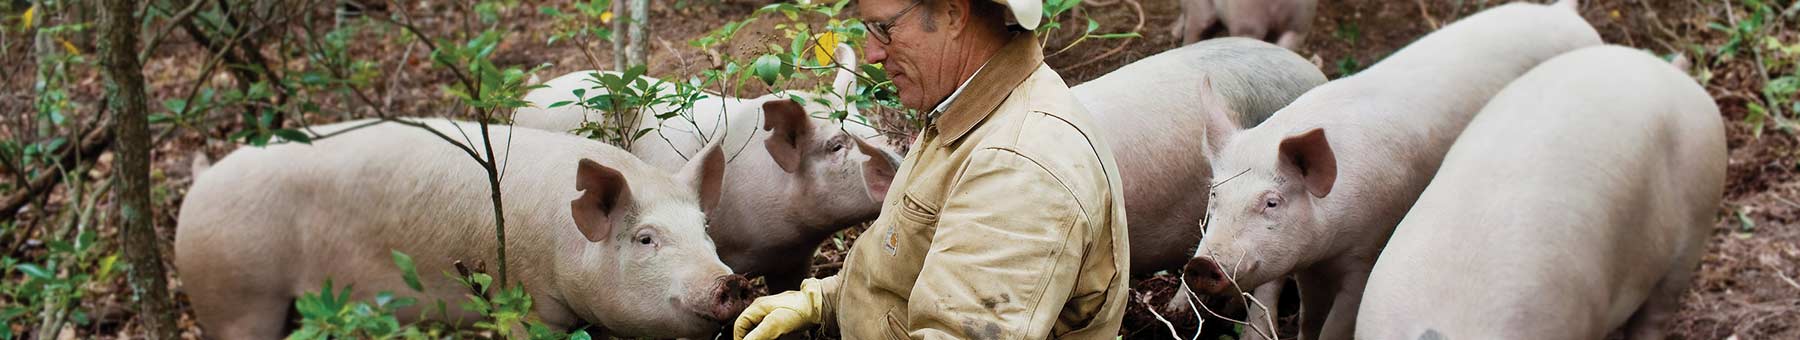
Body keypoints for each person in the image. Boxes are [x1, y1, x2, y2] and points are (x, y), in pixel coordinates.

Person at [732, 0, 1129, 338]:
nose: (871, 52)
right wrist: (824, 300)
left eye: (883, 28)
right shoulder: (965, 110)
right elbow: (913, 262)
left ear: (953, 13)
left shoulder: (1017, 165)